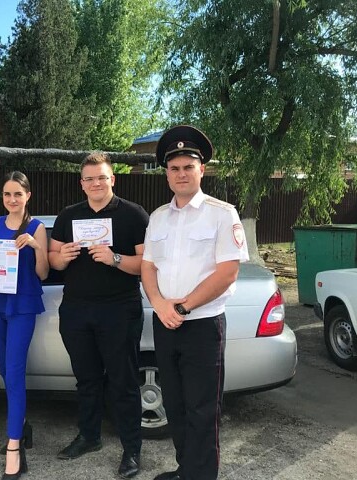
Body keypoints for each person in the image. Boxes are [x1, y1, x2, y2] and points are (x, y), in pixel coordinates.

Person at [141, 125, 249, 480]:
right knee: (175, 404)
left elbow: (227, 273)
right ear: (167, 174)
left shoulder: (222, 214)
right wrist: (159, 303)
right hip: (165, 322)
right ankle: (186, 469)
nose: (181, 174)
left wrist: (182, 307)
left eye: (188, 167)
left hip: (202, 325)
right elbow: (148, 267)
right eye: (174, 168)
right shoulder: (158, 217)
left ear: (202, 169)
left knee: (203, 409)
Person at [48, 152, 149, 479]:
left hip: (120, 310)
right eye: (89, 179)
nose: (96, 183)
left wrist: (115, 258)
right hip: (76, 310)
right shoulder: (69, 216)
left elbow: (146, 265)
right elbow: (52, 259)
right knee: (87, 379)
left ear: (112, 179)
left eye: (102, 177)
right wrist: (62, 257)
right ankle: (89, 436)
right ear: (82, 183)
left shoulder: (133, 214)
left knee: (124, 381)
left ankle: (131, 449)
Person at [0, 171, 49, 480]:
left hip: (22, 306)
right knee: (5, 372)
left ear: (27, 195)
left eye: (18, 193)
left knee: (15, 374)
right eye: (7, 194)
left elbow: (43, 273)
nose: (12, 199)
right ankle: (22, 425)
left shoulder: (37, 227)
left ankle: (14, 447)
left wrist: (36, 246)